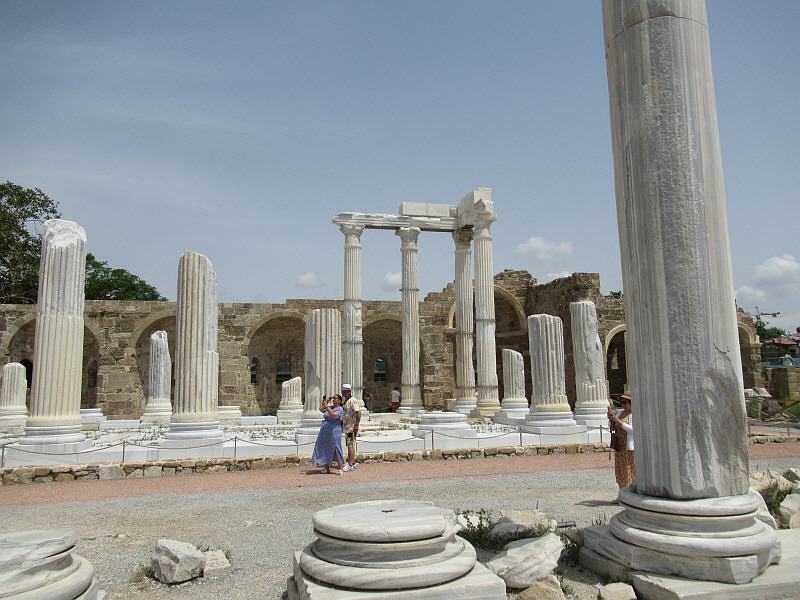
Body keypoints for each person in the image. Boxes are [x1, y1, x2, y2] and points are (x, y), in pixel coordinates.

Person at [311, 394, 344, 475]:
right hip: (325, 430)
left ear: (339, 400)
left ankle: (340, 467)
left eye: (335, 398)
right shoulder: (331, 407)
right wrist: (327, 401)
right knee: (325, 447)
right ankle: (326, 467)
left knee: (336, 447)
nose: (334, 400)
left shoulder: (340, 409)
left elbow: (334, 416)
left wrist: (327, 407)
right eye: (333, 398)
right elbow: (321, 409)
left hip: (334, 430)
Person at [608, 391, 635, 491]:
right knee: (620, 470)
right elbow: (612, 427)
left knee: (630, 468)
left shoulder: (634, 415)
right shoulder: (620, 413)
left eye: (625, 402)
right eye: (621, 402)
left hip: (628, 448)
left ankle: (631, 491)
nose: (623, 405)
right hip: (620, 446)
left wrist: (619, 422)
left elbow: (633, 430)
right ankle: (622, 491)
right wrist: (611, 420)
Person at [341, 384, 362, 472]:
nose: (343, 393)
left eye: (345, 391)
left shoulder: (353, 400)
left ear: (349, 391)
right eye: (343, 391)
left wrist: (356, 425)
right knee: (351, 444)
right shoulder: (346, 401)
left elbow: (358, 412)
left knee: (350, 444)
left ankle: (350, 464)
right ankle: (352, 463)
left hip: (351, 426)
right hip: (347, 426)